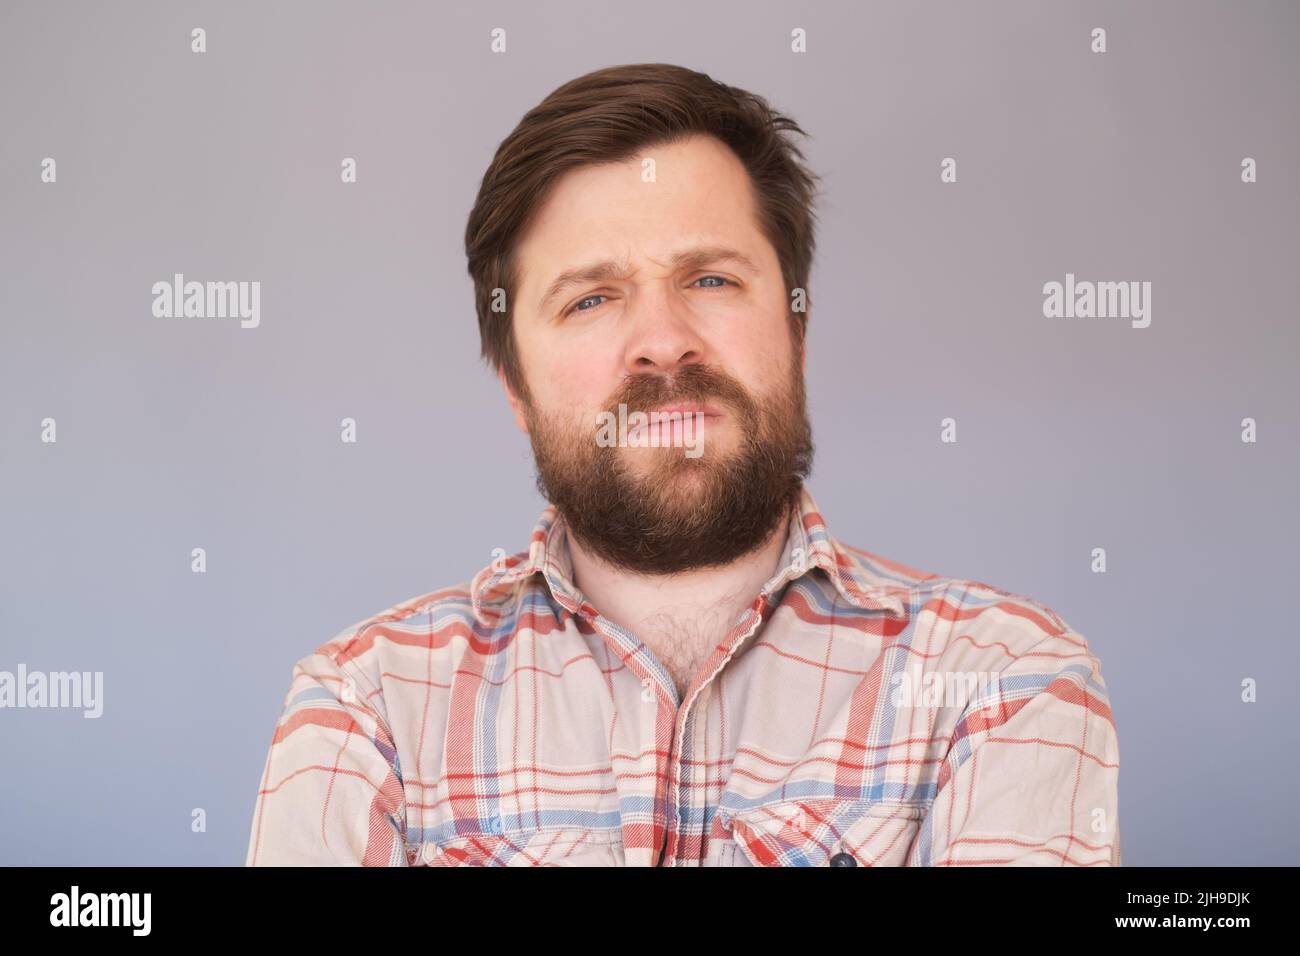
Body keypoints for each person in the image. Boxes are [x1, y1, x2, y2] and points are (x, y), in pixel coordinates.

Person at [245, 62, 1120, 866]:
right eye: (591, 298)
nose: (662, 344)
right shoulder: (369, 705)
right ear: (515, 385)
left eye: (709, 280)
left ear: (797, 330)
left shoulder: (1001, 681)